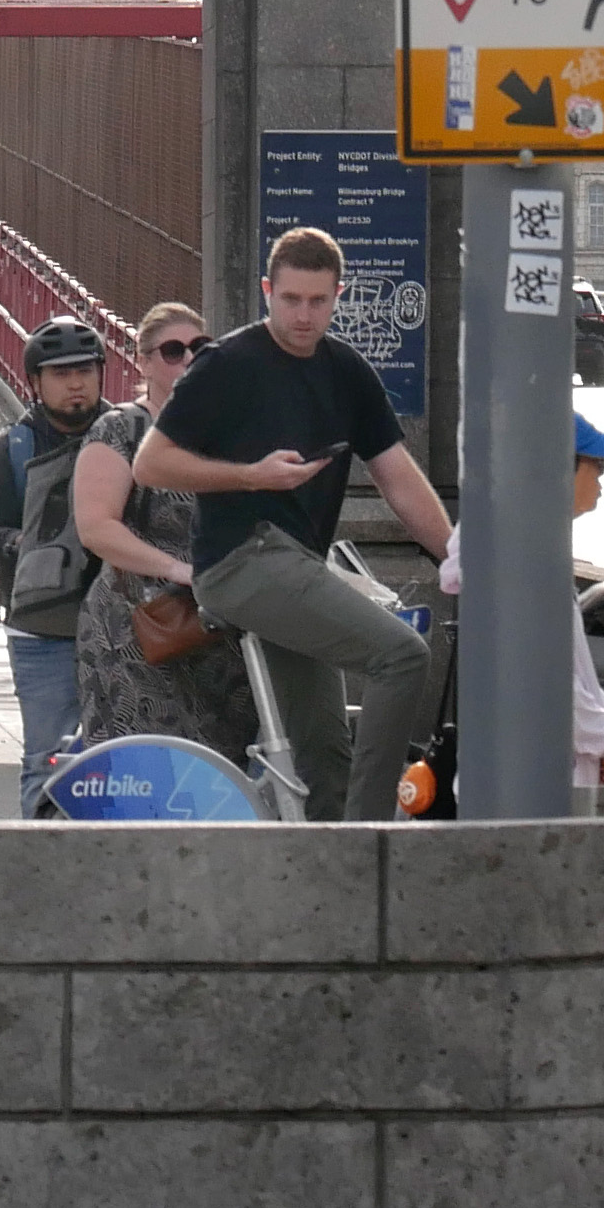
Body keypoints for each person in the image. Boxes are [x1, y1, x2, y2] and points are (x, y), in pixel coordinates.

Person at [135, 228, 456, 823]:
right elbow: (150, 462)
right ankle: (372, 837)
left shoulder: (348, 372)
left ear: (339, 295)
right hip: (240, 560)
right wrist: (251, 477)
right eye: (290, 300)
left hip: (298, 565)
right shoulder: (228, 364)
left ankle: (341, 879)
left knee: (325, 755)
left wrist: (455, 557)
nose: (304, 316)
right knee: (403, 657)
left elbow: (397, 476)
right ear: (266, 292)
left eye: (317, 301)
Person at [71, 303, 258, 763]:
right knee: (143, 772)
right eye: (173, 351)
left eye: (201, 347)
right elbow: (96, 527)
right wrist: (176, 569)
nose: (190, 358)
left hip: (218, 637)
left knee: (221, 775)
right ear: (144, 362)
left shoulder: (228, 434)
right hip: (137, 634)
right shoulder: (120, 429)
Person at [442, 412, 604, 804]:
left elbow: (571, 677)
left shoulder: (521, 547)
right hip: (530, 796)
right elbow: (547, 686)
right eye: (595, 466)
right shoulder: (516, 558)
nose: (601, 481)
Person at [0, 316, 106, 808]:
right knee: (48, 759)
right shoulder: (13, 449)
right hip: (42, 629)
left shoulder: (129, 437)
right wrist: (15, 543)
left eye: (85, 371)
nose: (75, 384)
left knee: (126, 757)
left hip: (123, 626)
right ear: (36, 382)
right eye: (61, 373)